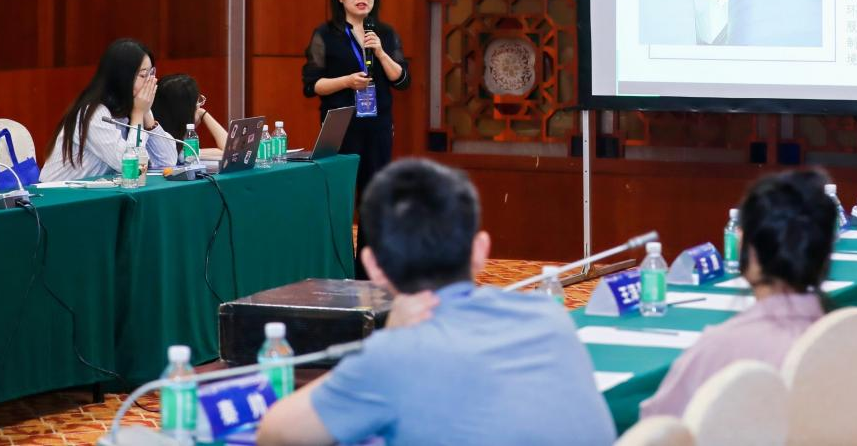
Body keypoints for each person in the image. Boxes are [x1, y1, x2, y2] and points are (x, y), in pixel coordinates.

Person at [256, 157, 615, 446]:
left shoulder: (394, 356)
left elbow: (275, 434)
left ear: (373, 266)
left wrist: (387, 339)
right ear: (481, 250)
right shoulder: (550, 317)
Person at [639, 169, 835, 418]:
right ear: (824, 255)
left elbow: (657, 427)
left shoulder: (721, 347)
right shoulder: (847, 338)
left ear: (748, 251)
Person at [302, 0, 410, 278]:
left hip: (377, 128)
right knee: (340, 201)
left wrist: (381, 53)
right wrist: (347, 81)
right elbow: (312, 86)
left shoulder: (385, 34)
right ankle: (339, 273)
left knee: (375, 202)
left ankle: (368, 274)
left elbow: (402, 80)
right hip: (341, 128)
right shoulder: (326, 35)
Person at [40, 38, 176, 181]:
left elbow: (167, 162)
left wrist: (147, 117)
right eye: (143, 75)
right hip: (57, 191)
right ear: (122, 77)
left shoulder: (134, 105)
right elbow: (131, 167)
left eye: (151, 73)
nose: (150, 81)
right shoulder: (93, 113)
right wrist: (138, 114)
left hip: (93, 192)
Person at [153, 74, 228, 160]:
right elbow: (227, 151)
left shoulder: (179, 145)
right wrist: (203, 113)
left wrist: (202, 112)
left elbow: (227, 150)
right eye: (197, 101)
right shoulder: (169, 148)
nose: (199, 105)